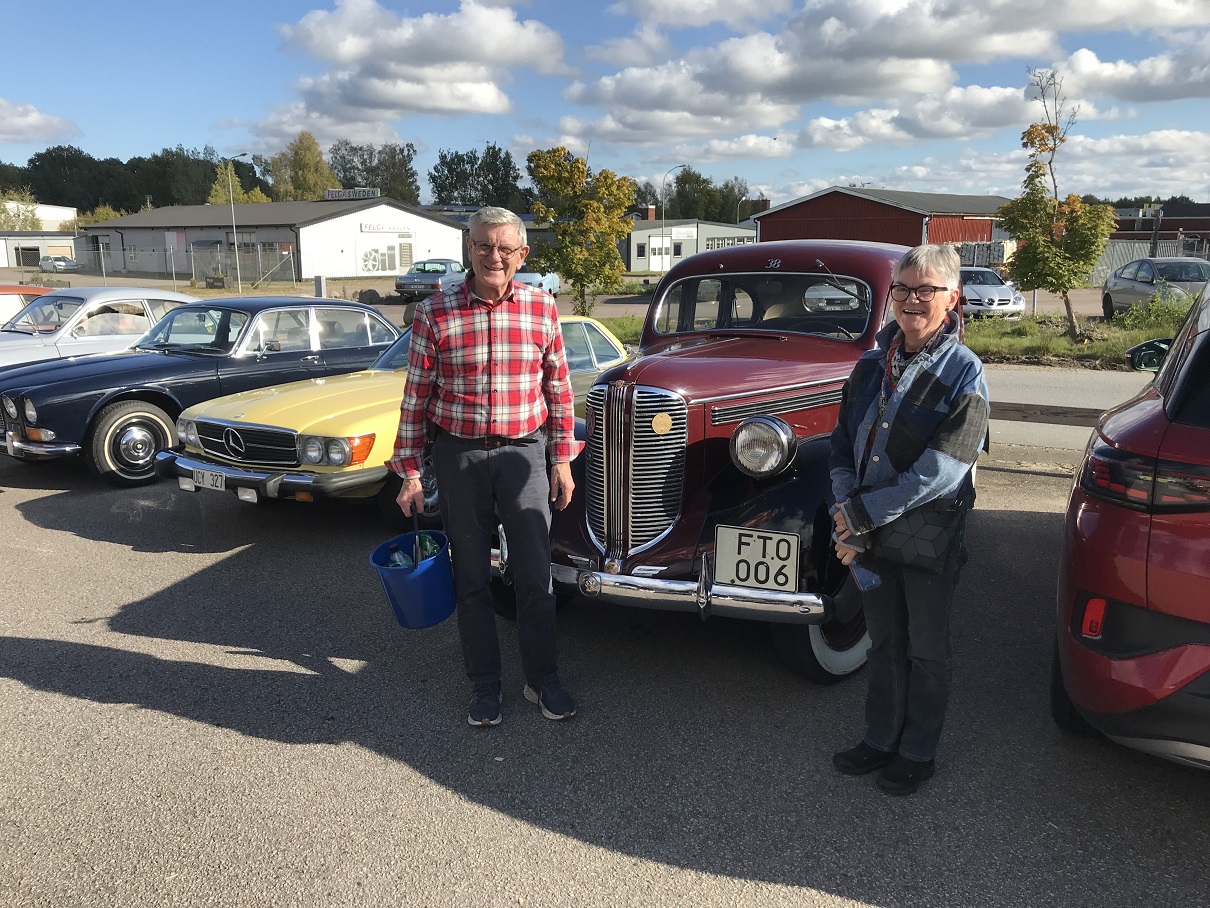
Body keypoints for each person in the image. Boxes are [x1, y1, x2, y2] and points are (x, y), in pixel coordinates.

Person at [387, 206, 582, 728]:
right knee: (471, 575)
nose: (493, 256)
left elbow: (559, 389)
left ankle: (542, 679)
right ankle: (484, 684)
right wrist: (410, 472)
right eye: (482, 245)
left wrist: (562, 460)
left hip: (524, 455)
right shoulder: (435, 312)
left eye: (504, 248)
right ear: (468, 249)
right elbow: (416, 396)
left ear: (522, 254)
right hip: (461, 456)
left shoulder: (542, 308)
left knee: (535, 575)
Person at [828, 243, 989, 796]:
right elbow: (842, 444)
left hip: (925, 538)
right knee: (885, 642)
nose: (912, 300)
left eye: (926, 290)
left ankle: (918, 752)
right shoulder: (870, 365)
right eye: (902, 289)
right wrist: (844, 509)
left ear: (953, 297)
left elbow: (944, 469)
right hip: (869, 535)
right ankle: (879, 739)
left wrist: (860, 516)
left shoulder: (965, 372)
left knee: (926, 649)